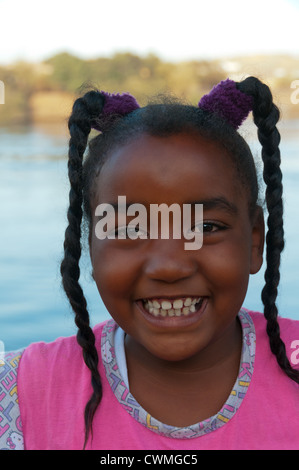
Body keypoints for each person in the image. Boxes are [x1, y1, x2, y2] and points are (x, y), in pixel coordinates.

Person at [1, 77, 299, 451]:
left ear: (255, 240)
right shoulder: (25, 392)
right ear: (91, 246)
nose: (169, 266)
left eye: (205, 227)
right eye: (128, 229)